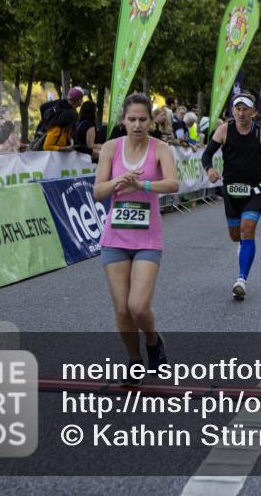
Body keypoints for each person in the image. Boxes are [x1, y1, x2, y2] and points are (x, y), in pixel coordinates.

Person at [93, 93, 178, 383]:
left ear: (151, 121)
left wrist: (142, 184)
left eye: (143, 119)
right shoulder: (110, 148)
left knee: (138, 307)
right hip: (115, 239)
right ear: (123, 120)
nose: (138, 125)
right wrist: (119, 181)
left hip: (147, 239)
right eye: (132, 119)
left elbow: (173, 183)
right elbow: (98, 191)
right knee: (122, 310)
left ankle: (154, 342)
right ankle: (135, 360)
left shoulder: (160, 148)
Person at [202, 91, 261, 300]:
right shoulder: (224, 130)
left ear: (253, 111)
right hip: (231, 191)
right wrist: (210, 169)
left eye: (245, 109)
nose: (241, 113)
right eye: (237, 109)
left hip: (254, 190)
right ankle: (243, 248)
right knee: (236, 236)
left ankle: (241, 279)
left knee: (247, 231)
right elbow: (207, 154)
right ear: (233, 110)